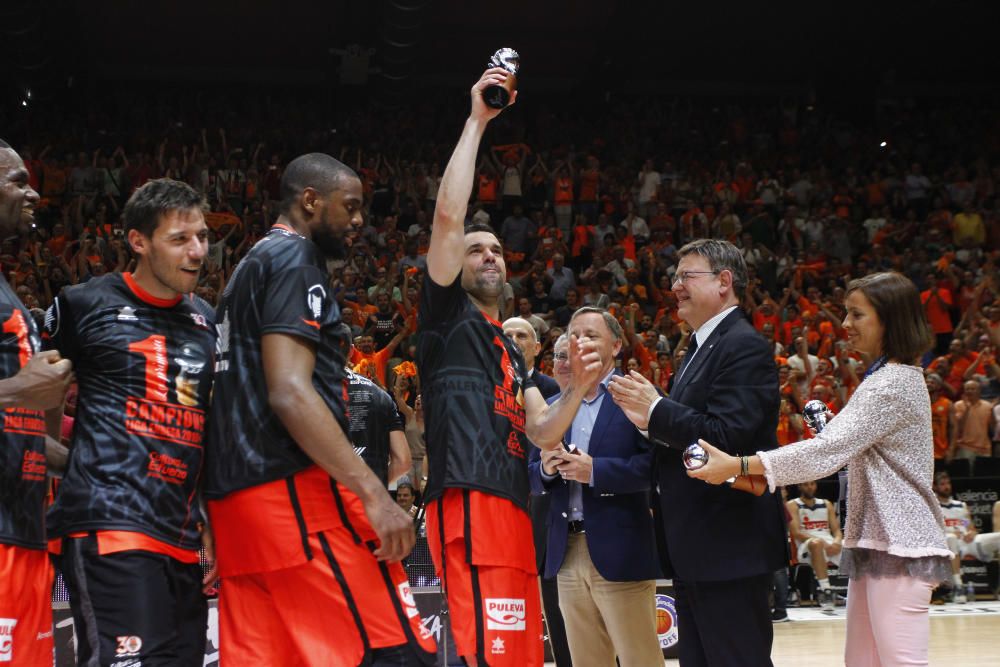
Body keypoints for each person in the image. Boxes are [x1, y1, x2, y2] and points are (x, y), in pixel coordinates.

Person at [204, 153, 434, 666]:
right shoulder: (294, 259)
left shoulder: (248, 268)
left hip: (238, 505)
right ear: (310, 200)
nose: (359, 221)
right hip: (292, 494)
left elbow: (223, 399)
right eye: (350, 207)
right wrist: (375, 494)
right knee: (396, 650)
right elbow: (289, 390)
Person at [417, 68, 602, 666]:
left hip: (514, 505)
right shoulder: (447, 315)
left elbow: (543, 431)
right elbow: (449, 217)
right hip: (469, 498)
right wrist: (479, 120)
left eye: (495, 249)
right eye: (476, 249)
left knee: (520, 653)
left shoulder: (507, 347)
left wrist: (576, 387)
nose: (488, 255)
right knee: (487, 651)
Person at [685, 272, 953, 666]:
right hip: (882, 541)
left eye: (856, 315)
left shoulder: (890, 383)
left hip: (900, 542)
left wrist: (736, 465)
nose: (845, 325)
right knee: (862, 661)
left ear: (889, 320)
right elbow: (845, 450)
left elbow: (825, 453)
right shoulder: (885, 377)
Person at [44, 178, 217, 666]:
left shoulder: (207, 319)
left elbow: (207, 428)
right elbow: (38, 391)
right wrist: (53, 450)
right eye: (180, 239)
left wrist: (211, 519)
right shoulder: (82, 304)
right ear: (138, 241)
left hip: (181, 537)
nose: (198, 251)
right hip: (110, 525)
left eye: (202, 236)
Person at [608, 238, 786, 666]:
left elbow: (728, 436)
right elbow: (692, 435)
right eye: (674, 277)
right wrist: (651, 424)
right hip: (699, 547)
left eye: (686, 276)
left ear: (724, 281)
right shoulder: (699, 346)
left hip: (729, 546)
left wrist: (656, 411)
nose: (675, 287)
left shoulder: (742, 345)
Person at [530, 308, 661, 666]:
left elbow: (656, 468)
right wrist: (546, 467)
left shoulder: (637, 395)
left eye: (592, 335)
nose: (581, 342)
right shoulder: (555, 407)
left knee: (640, 659)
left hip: (620, 548)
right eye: (575, 336)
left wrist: (596, 471)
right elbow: (531, 476)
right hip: (566, 551)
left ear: (616, 345)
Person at [0, 139, 74, 667]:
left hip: (25, 527)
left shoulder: (5, 288)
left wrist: (96, 465)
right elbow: (15, 398)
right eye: (17, 181)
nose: (33, 194)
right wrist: (16, 389)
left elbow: (19, 422)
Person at [503, 318, 569, 665]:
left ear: (537, 347)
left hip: (544, 507)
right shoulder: (483, 389)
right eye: (506, 335)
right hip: (499, 507)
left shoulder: (555, 391)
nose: (513, 341)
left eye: (521, 335)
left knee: (558, 607)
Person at [933, 471, 1000, 602]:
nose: (947, 487)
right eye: (942, 484)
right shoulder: (933, 506)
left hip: (968, 542)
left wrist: (972, 533)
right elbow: (931, 530)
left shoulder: (961, 505)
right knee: (951, 536)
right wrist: (948, 531)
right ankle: (958, 586)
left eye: (948, 483)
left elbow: (970, 526)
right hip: (950, 546)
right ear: (935, 487)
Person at [787, 480, 843, 610]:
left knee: (854, 547)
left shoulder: (826, 504)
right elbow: (796, 533)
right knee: (816, 543)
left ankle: (860, 591)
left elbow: (836, 530)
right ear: (799, 486)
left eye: (812, 484)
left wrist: (837, 542)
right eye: (806, 484)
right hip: (805, 547)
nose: (810, 487)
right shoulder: (793, 504)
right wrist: (824, 543)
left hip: (829, 543)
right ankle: (826, 591)